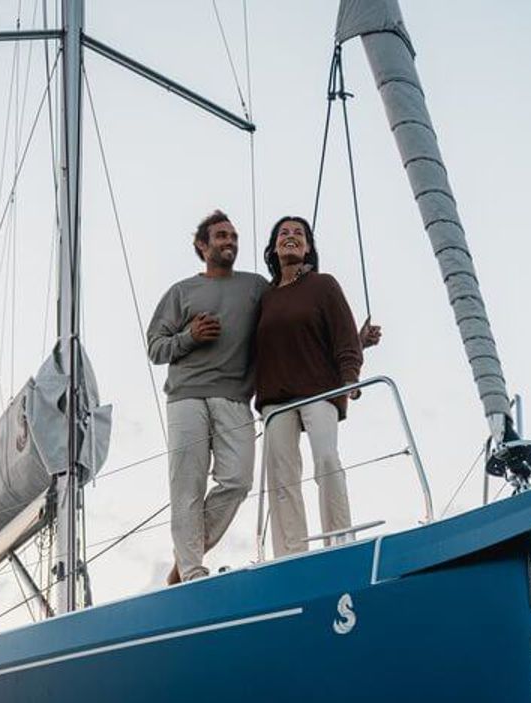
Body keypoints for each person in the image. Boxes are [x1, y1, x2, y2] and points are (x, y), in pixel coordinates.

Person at [145, 209, 268, 583]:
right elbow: (155, 348)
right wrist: (190, 337)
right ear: (202, 245)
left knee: (238, 481)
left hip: (234, 397)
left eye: (233, 236)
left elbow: (289, 315)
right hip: (187, 397)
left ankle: (185, 559)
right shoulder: (181, 292)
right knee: (187, 487)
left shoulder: (256, 286)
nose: (229, 242)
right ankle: (193, 570)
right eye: (221, 236)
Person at [254, 215, 380, 558]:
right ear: (273, 247)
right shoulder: (264, 299)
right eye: (283, 233)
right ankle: (290, 554)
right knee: (281, 476)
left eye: (299, 233)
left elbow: (343, 336)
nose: (290, 237)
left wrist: (350, 377)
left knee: (326, 459)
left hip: (319, 392)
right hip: (275, 399)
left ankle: (338, 542)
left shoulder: (323, 285)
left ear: (308, 247)